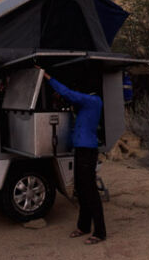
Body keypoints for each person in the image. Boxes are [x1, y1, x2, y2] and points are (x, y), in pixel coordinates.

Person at [42, 71, 106, 243]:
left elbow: (68, 94)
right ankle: (83, 226)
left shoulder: (93, 100)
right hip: (81, 148)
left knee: (90, 191)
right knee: (81, 189)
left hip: (87, 150)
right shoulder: (87, 103)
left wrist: (48, 78)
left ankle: (100, 232)